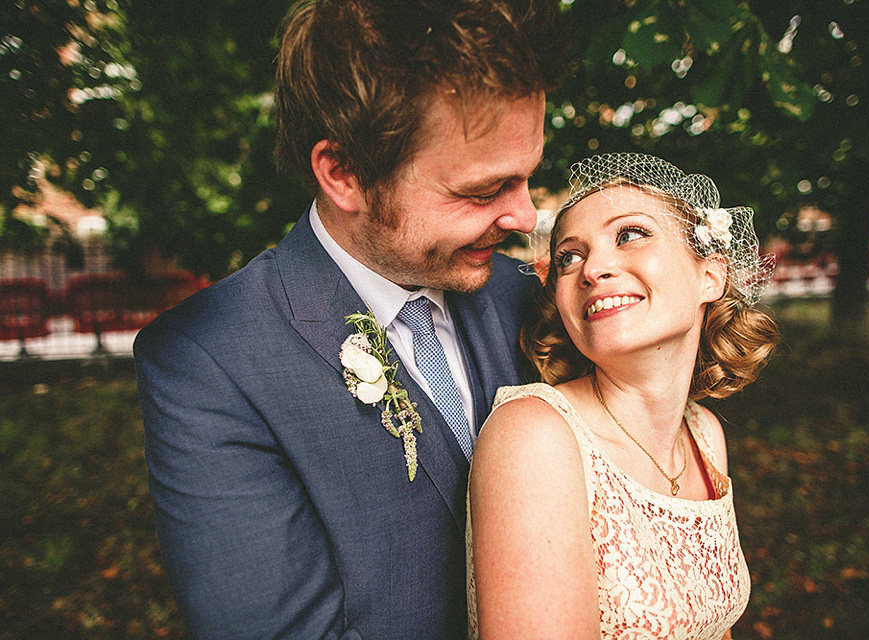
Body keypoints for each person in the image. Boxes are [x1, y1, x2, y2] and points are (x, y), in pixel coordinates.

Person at [134, 1, 566, 638]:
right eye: (482, 191)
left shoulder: (523, 297)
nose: (526, 218)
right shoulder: (209, 363)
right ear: (344, 173)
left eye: (528, 178)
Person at [467, 153, 780, 639]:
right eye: (569, 256)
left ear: (709, 275)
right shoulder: (535, 437)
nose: (593, 269)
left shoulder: (704, 434)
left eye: (629, 234)